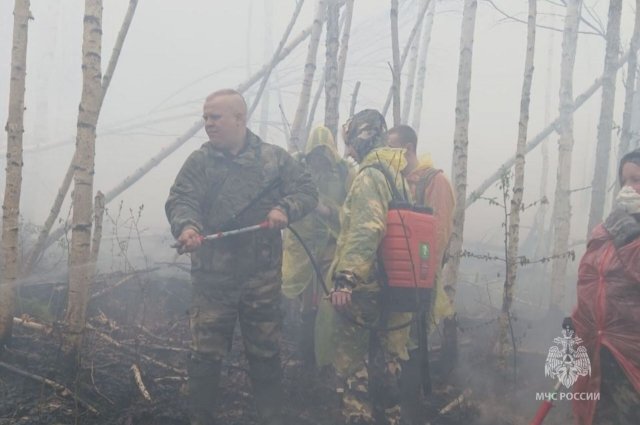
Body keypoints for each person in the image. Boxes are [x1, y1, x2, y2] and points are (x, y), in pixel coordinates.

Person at [165, 89, 318, 425]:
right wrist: (187, 227)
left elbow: (307, 191)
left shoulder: (274, 160)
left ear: (239, 118)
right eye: (205, 117)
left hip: (260, 280)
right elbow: (181, 200)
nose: (207, 124)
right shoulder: (200, 162)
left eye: (214, 117)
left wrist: (284, 208)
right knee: (204, 357)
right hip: (211, 281)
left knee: (265, 356)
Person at [316, 109, 412, 425]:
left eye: (351, 141)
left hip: (366, 288)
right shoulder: (396, 175)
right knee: (387, 368)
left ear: (363, 136)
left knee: (353, 368)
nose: (348, 151)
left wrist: (345, 280)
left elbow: (367, 229)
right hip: (395, 285)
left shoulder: (370, 176)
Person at [387, 125, 455, 425]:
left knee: (414, 344)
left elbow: (438, 235)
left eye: (393, 150)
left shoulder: (434, 181)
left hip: (420, 281)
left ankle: (410, 411)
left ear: (409, 149)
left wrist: (422, 272)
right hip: (393, 277)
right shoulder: (393, 180)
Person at [571, 148, 640, 425]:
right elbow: (591, 280)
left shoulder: (624, 232)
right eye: (624, 181)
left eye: (636, 179)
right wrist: (577, 319)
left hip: (633, 356)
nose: (628, 189)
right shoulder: (610, 227)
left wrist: (631, 237)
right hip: (600, 350)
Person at [281, 126, 354, 365]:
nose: (319, 163)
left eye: (324, 158)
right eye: (315, 157)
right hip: (300, 246)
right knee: (305, 303)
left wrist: (327, 210)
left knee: (326, 300)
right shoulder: (297, 169)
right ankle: (305, 358)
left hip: (330, 247)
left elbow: (351, 212)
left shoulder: (344, 173)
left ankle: (325, 358)